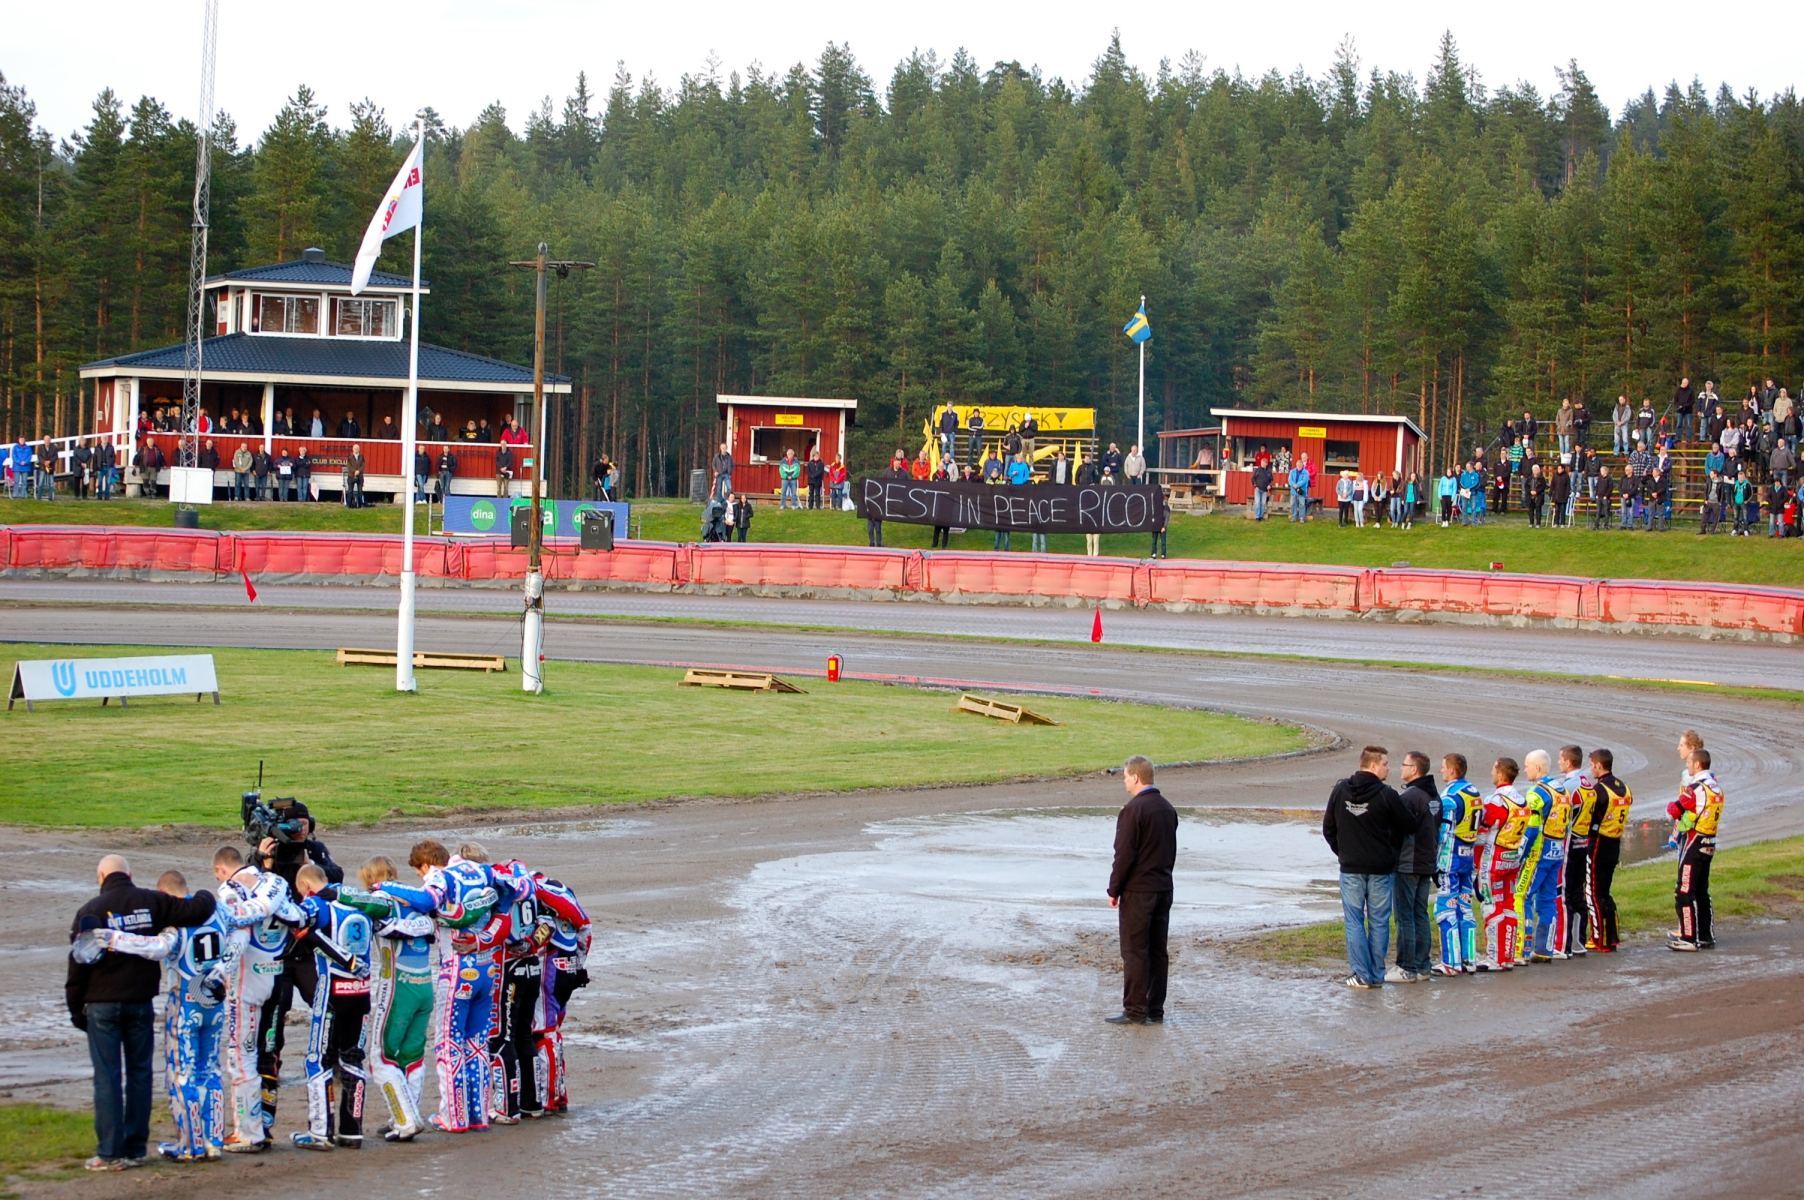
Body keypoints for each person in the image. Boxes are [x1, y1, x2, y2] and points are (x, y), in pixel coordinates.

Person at [65, 855, 220, 1172]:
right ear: (130, 875)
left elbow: (78, 964)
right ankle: (135, 1148)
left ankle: (110, 1152)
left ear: (101, 877)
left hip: (101, 1005)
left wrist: (75, 1010)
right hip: (140, 1002)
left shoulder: (90, 912)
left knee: (107, 1078)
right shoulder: (152, 901)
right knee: (139, 1074)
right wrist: (206, 892)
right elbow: (199, 909)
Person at [379, 840, 512, 1134]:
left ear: (426, 865)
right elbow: (511, 895)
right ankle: (478, 1115)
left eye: (419, 872)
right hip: (487, 968)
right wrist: (485, 938)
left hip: (457, 970)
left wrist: (385, 888)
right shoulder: (480, 871)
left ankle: (453, 1117)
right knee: (477, 1045)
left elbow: (426, 902)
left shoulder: (443, 877)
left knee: (449, 1045)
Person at [334, 858, 434, 1143]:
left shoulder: (379, 899)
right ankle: (405, 1114)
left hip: (398, 985)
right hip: (424, 984)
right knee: (412, 1054)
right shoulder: (417, 900)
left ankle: (405, 1120)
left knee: (381, 1056)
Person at [290, 864, 372, 1150]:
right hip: (362, 992)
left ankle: (320, 1132)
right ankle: (352, 1131)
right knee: (352, 1057)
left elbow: (297, 921)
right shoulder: (359, 899)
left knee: (317, 1059)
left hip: (333, 992)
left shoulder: (316, 903)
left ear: (305, 888)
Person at [1322, 746, 1409, 989]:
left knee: (1356, 920)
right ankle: (1373, 974)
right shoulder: (1384, 794)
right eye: (1385, 764)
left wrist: (1344, 853)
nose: (1388, 768)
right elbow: (1406, 825)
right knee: (1378, 921)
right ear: (1372, 765)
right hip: (1377, 868)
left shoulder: (1342, 791)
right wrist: (1389, 851)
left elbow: (1328, 828)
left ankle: (1363, 974)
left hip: (1354, 868)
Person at [1105, 756, 1178, 1024]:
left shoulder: (1133, 810)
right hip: (1163, 887)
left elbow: (1124, 855)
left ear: (1136, 777)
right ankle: (1155, 1009)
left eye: (1125, 776)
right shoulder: (1167, 808)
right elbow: (1170, 851)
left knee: (1135, 950)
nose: (1124, 781)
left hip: (1139, 891)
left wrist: (1114, 889)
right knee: (1158, 949)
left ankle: (1135, 1009)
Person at [1473, 757, 1528, 972]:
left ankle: (1495, 957)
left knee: (1491, 905)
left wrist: (1475, 864)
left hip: (1493, 860)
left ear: (1500, 772)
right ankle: (1508, 955)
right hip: (1512, 859)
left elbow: (1481, 832)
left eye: (1493, 769)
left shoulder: (1496, 801)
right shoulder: (1521, 799)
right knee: (1508, 906)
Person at [1667, 748, 1723, 952]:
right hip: (1710, 842)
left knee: (1684, 891)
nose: (1687, 765)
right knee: (1701, 891)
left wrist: (1681, 813)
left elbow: (1674, 809)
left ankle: (1688, 937)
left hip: (1695, 842)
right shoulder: (1716, 787)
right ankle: (1705, 935)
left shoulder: (1696, 788)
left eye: (1690, 762)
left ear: (1698, 764)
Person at [1518, 750, 1571, 963]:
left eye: (1527, 766)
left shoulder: (1536, 793)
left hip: (1538, 854)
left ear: (1537, 768)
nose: (1525, 769)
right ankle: (1545, 949)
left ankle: (1523, 947)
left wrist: (1521, 854)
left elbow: (1531, 830)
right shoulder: (1562, 790)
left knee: (1522, 896)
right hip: (1557, 851)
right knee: (1548, 899)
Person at [1390, 752, 1439, 983]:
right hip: (1427, 862)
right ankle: (1422, 966)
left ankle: (1406, 967)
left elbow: (1397, 830)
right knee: (1420, 913)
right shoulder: (1433, 796)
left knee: (1405, 916)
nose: (1401, 768)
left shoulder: (1411, 796)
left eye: (1404, 764)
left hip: (1409, 863)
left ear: (1415, 769)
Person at [1433, 755, 1482, 976]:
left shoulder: (1450, 797)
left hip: (1450, 861)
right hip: (1468, 859)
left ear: (1452, 770)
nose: (1441, 771)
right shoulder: (1475, 793)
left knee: (1445, 910)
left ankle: (1450, 962)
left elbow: (1443, 833)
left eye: (1443, 768)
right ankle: (1469, 959)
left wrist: (1435, 861)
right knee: (1466, 909)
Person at [1586, 748, 1631, 953]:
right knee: (1604, 892)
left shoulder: (1599, 790)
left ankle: (1599, 939)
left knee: (1593, 892)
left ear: (1597, 765)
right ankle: (1611, 936)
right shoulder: (1624, 787)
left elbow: (1592, 820)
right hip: (1615, 841)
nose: (1590, 769)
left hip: (1599, 844)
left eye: (1591, 765)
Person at [1558, 746, 1598, 957]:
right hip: (1584, 842)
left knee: (1566, 894)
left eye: (1560, 759)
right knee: (1578, 893)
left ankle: (1568, 942)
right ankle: (1579, 940)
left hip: (1571, 843)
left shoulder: (1569, 786)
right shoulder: (1588, 784)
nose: (1558, 763)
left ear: (1567, 761)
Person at [1287, 457, 1312, 522]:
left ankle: (1301, 518)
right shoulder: (1292, 471)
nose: (1299, 466)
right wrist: (1293, 485)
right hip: (1293, 491)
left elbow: (1304, 480)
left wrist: (1297, 485)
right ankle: (1294, 517)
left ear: (1302, 465)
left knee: (1302, 504)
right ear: (1296, 464)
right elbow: (1290, 480)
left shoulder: (1306, 472)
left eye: (1300, 464)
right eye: (1298, 464)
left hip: (1302, 491)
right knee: (1293, 504)